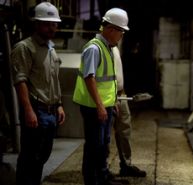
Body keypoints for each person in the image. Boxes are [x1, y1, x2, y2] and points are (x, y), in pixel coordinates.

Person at [72, 7, 130, 185]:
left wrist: (113, 103)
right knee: (94, 147)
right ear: (111, 29)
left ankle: (102, 177)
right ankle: (92, 181)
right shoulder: (94, 49)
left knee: (102, 144)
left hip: (105, 106)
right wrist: (100, 106)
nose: (121, 35)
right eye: (121, 31)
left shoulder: (107, 47)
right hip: (93, 108)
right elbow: (90, 78)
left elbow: (107, 81)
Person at [10, 2, 65, 185]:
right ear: (37, 24)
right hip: (36, 108)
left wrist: (59, 105)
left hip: (50, 111)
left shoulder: (50, 48)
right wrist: (28, 110)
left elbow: (53, 79)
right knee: (30, 157)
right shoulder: (25, 48)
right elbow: (21, 81)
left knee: (42, 156)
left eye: (54, 24)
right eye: (48, 24)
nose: (52, 28)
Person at [113, 46, 146, 177]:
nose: (122, 34)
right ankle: (101, 169)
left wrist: (122, 91)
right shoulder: (99, 47)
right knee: (104, 136)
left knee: (124, 130)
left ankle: (126, 164)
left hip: (121, 95)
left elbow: (117, 73)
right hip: (109, 97)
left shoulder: (114, 47)